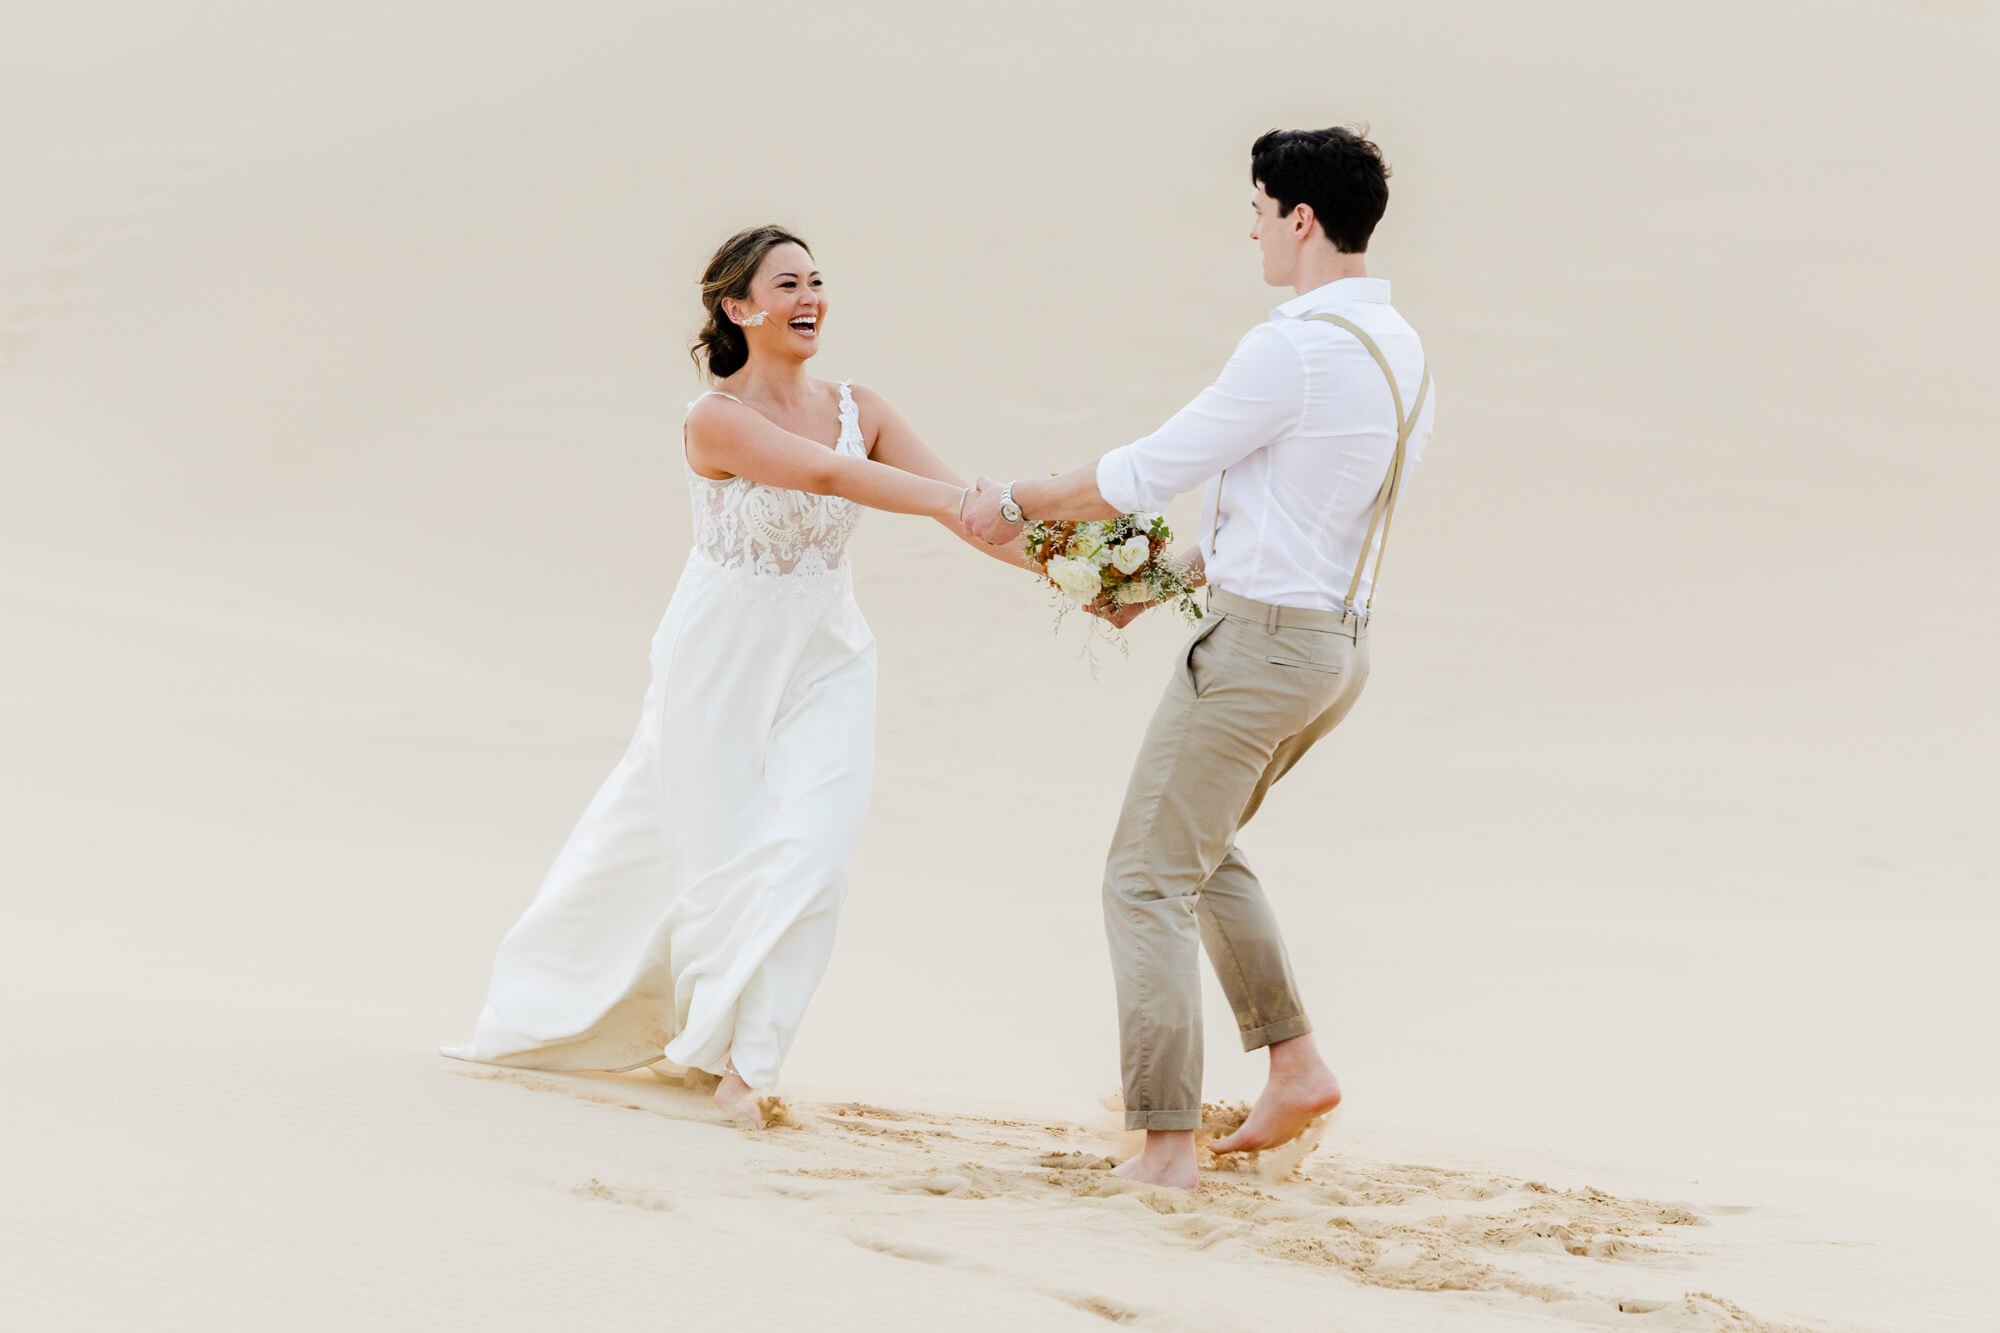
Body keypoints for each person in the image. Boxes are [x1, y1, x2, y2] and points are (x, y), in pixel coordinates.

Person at [446, 225, 1022, 1126]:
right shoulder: (711, 417)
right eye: (787, 282)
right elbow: (833, 477)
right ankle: (630, 1022)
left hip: (827, 653)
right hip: (718, 660)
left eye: (819, 280)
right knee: (713, 856)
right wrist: (968, 500)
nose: (810, 297)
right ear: (738, 307)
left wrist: (1084, 573)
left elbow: (971, 517)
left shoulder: (859, 403)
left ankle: (749, 1071)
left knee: (816, 855)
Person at [964, 127, 1437, 1188]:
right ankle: (1296, 1066)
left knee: (1141, 879)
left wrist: (1010, 503)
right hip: (1331, 651)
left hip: (1260, 653)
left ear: (1300, 218)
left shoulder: (1294, 344)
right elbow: (1286, 512)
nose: (1257, 236)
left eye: (1261, 215)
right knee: (1200, 852)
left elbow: (1147, 469)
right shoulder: (1399, 347)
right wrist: (1155, 582)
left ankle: (1164, 1144)